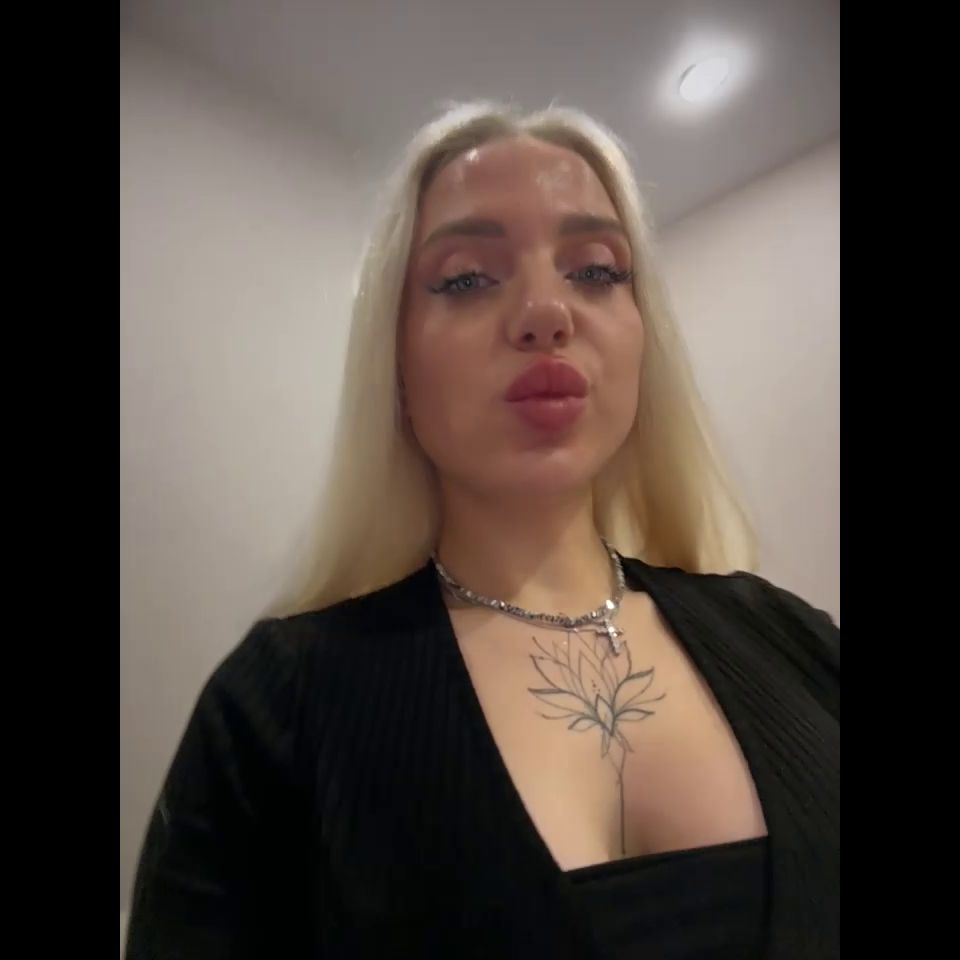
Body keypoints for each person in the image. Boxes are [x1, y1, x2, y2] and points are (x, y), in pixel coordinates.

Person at [125, 101, 839, 960]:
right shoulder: (276, 709)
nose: (546, 311)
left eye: (597, 270)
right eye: (466, 279)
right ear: (394, 360)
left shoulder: (796, 642)